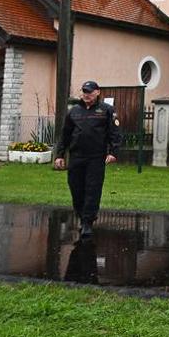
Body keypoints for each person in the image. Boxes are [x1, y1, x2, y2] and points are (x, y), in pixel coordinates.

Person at [53, 80, 121, 238]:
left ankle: (87, 223)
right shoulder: (74, 111)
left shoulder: (106, 110)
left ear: (97, 92)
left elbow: (115, 133)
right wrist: (59, 155)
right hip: (76, 157)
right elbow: (65, 135)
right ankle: (81, 215)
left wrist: (113, 152)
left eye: (89, 92)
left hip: (96, 158)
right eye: (84, 91)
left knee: (92, 190)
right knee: (76, 188)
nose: (86, 95)